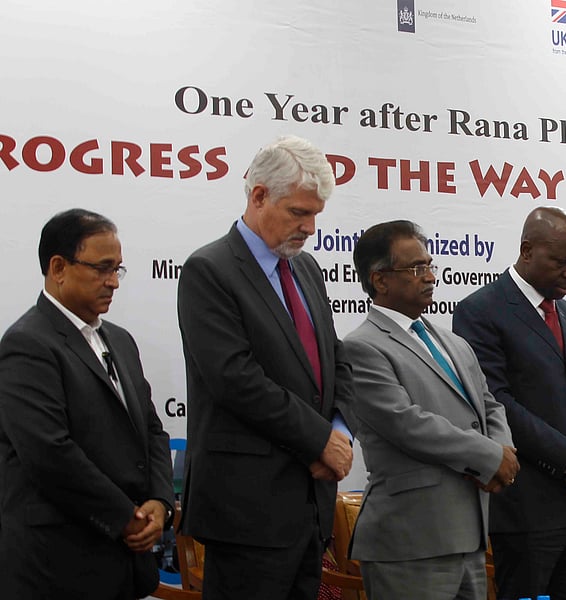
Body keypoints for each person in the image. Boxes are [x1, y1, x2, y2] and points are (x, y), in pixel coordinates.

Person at [177, 135, 355, 600]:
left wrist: (339, 432)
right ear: (258, 196)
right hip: (246, 509)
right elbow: (235, 380)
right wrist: (319, 440)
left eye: (316, 214)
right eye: (299, 212)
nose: (310, 227)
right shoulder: (209, 270)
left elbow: (335, 361)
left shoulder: (307, 268)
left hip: (310, 503)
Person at [0, 209, 173, 599]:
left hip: (124, 567)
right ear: (58, 267)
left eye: (118, 270)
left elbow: (151, 430)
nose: (113, 282)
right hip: (58, 568)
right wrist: (125, 518)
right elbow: (49, 454)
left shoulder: (121, 341)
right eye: (102, 268)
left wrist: (160, 504)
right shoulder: (27, 344)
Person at [342, 220, 517, 600]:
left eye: (430, 265)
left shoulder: (454, 342)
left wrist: (504, 451)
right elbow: (407, 425)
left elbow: (488, 404)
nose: (430, 277)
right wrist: (488, 456)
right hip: (409, 541)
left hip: (469, 535)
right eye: (416, 268)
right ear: (380, 280)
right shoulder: (361, 347)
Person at [453, 207, 566, 600]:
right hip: (528, 506)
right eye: (561, 262)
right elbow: (496, 402)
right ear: (527, 250)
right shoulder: (480, 310)